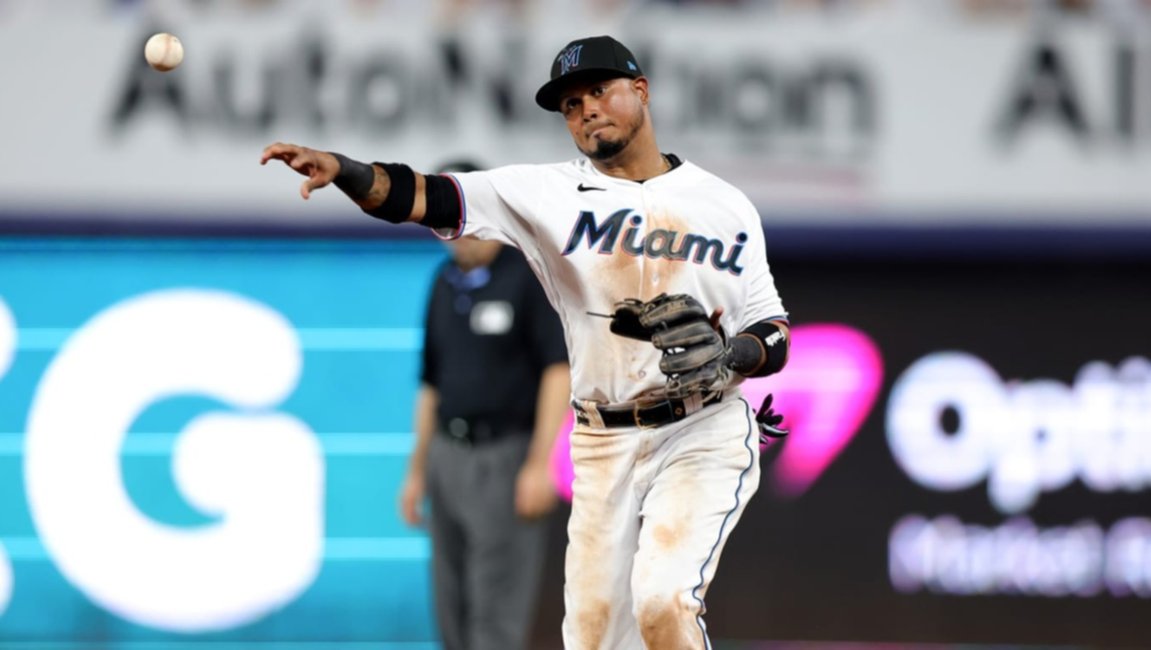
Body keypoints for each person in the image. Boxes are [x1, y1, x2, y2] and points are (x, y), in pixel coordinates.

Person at [261, 34, 790, 650]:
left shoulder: (723, 204)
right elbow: (424, 195)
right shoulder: (546, 194)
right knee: (593, 640)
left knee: (663, 601)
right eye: (570, 103)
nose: (586, 108)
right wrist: (344, 170)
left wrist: (734, 355)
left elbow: (772, 331)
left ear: (640, 92)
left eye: (599, 90)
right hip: (603, 440)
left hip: (701, 430)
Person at [397, 159, 572, 650]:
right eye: (437, 214)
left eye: (456, 209)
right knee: (451, 608)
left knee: (495, 613)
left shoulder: (529, 275)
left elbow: (558, 371)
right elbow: (431, 382)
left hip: (506, 457)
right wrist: (417, 470)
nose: (450, 229)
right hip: (447, 457)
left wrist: (540, 464)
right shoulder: (443, 283)